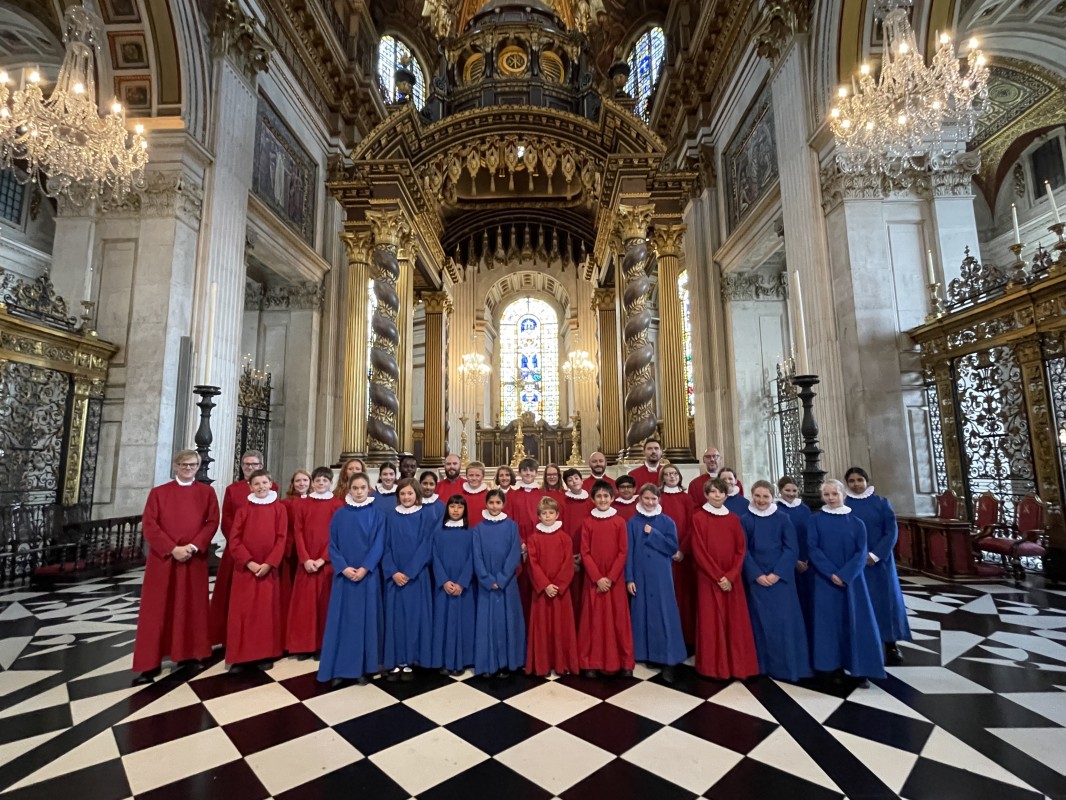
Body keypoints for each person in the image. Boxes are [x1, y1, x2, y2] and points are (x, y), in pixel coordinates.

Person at [132, 451, 220, 683]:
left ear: (198, 466)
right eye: (183, 464)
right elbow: (150, 525)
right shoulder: (159, 493)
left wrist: (193, 546)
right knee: (157, 609)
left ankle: (189, 654)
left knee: (191, 606)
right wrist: (172, 548)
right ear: (175, 466)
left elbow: (212, 522)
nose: (188, 468)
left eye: (192, 465)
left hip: (193, 558)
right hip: (164, 560)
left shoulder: (206, 493)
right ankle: (150, 662)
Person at [807, 479, 885, 687]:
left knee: (856, 623)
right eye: (827, 494)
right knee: (829, 626)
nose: (831, 498)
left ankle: (860, 668)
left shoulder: (857, 523)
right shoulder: (815, 521)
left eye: (835, 494)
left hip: (852, 582)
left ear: (843, 494)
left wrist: (845, 574)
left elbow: (861, 552)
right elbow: (813, 549)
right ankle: (832, 667)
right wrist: (831, 573)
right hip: (825, 582)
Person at [317, 472, 385, 687]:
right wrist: (344, 568)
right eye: (355, 488)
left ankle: (363, 667)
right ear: (349, 490)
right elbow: (333, 545)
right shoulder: (340, 515)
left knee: (365, 622)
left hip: (367, 576)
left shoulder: (377, 514)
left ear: (368, 489)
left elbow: (379, 544)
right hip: (344, 577)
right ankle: (340, 668)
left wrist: (365, 568)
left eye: (362, 488)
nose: (358, 492)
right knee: (343, 622)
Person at [740, 480, 812, 682]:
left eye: (765, 496)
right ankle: (763, 665)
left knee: (785, 623)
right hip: (757, 580)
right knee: (760, 623)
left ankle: (787, 666)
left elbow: (791, 549)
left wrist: (777, 573)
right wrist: (757, 574)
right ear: (752, 495)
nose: (761, 500)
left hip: (781, 581)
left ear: (772, 497)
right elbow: (743, 550)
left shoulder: (783, 518)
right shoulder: (745, 519)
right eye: (757, 496)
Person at [690, 478, 759, 679]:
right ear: (706, 495)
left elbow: (740, 549)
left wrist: (730, 576)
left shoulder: (734, 519)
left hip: (732, 580)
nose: (717, 495)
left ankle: (737, 666)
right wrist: (718, 576)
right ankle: (713, 667)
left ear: (726, 495)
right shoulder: (698, 518)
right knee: (711, 622)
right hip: (709, 579)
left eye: (720, 492)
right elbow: (699, 551)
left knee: (734, 621)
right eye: (713, 492)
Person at [844, 467, 911, 666]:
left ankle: (891, 644)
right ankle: (862, 644)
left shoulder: (881, 503)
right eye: (852, 481)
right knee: (859, 604)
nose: (856, 484)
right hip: (855, 563)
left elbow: (891, 531)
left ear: (867, 481)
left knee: (886, 602)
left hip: (880, 562)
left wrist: (875, 554)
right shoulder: (844, 504)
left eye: (859, 480)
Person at [210, 450, 278, 646]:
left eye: (254, 464)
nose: (250, 467)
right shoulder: (233, 489)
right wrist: (241, 548)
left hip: (264, 553)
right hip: (239, 552)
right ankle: (231, 635)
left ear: (261, 466)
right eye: (246, 464)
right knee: (234, 595)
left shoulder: (272, 488)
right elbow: (227, 520)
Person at [226, 470, 286, 671]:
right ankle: (240, 656)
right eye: (257, 484)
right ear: (250, 487)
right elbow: (234, 540)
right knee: (242, 613)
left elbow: (281, 539)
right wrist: (249, 562)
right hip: (246, 570)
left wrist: (269, 563)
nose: (261, 487)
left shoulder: (279, 509)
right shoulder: (243, 510)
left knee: (265, 613)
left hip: (268, 569)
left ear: (271, 484)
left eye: (264, 483)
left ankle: (265, 653)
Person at [625, 485, 686, 683]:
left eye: (653, 499)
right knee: (642, 613)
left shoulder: (667, 521)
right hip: (640, 575)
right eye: (646, 498)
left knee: (664, 613)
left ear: (659, 500)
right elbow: (629, 552)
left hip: (661, 576)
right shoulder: (632, 523)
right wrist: (629, 578)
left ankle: (667, 657)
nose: (650, 502)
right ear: (640, 499)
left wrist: (653, 534)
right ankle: (647, 654)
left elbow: (672, 547)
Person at [578, 480, 634, 677]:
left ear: (612, 498)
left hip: (614, 580)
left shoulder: (619, 522)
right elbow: (585, 552)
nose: (602, 500)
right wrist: (597, 578)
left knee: (618, 620)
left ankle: (623, 662)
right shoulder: (587, 522)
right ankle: (591, 663)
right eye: (599, 496)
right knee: (593, 620)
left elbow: (623, 551)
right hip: (594, 580)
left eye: (606, 496)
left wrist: (610, 578)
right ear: (593, 499)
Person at [286, 467, 343, 659]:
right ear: (313, 482)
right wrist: (305, 558)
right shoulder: (302, 504)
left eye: (325, 480)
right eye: (317, 480)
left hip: (326, 562)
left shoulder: (337, 504)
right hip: (307, 563)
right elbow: (298, 531)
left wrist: (322, 559)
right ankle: (304, 645)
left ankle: (322, 645)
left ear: (330, 483)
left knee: (324, 604)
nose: (321, 483)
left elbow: (337, 535)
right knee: (305, 606)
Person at [382, 478, 433, 680]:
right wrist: (393, 571)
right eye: (402, 493)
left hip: (416, 577)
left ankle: (411, 660)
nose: (406, 497)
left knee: (414, 618)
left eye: (410, 493)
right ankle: (396, 660)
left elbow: (426, 545)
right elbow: (385, 545)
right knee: (395, 619)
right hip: (395, 577)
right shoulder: (391, 516)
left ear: (417, 494)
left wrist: (410, 571)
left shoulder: (424, 515)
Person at [472, 489, 525, 677]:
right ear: (486, 504)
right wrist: (487, 579)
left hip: (507, 583)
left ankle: (506, 663)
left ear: (503, 505)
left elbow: (514, 553)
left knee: (506, 622)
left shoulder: (511, 526)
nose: (494, 506)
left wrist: (502, 578)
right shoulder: (478, 528)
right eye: (491, 502)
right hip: (486, 584)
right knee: (487, 624)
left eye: (498, 503)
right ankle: (487, 663)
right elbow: (476, 556)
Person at [526, 497, 579, 677]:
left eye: (551, 513)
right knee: (542, 628)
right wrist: (545, 585)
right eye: (544, 513)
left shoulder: (565, 538)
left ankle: (561, 663)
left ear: (557, 515)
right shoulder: (533, 538)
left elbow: (568, 564)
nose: (547, 516)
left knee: (561, 627)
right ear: (539, 515)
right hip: (542, 592)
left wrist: (557, 585)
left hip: (560, 592)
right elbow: (532, 564)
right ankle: (542, 664)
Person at [431, 496, 476, 676]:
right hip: (444, 586)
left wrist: (462, 582)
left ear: (465, 510)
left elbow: (473, 558)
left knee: (464, 623)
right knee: (443, 622)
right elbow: (434, 557)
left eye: (459, 507)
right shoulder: (438, 533)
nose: (456, 510)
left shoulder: (471, 533)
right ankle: (444, 660)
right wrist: (444, 580)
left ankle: (462, 660)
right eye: (452, 506)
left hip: (464, 587)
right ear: (447, 509)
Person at [658, 464, 695, 645]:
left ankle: (686, 637)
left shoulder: (687, 498)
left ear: (679, 476)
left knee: (684, 597)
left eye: (674, 474)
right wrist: (666, 549)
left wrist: (682, 550)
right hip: (663, 556)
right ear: (662, 478)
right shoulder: (658, 498)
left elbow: (691, 526)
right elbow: (656, 525)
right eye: (667, 474)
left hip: (682, 556)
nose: (671, 477)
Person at [777, 476, 815, 634]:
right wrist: (794, 561)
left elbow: (810, 534)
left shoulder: (805, 509)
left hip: (807, 561)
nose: (791, 494)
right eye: (787, 490)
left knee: (808, 598)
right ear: (780, 490)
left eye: (794, 490)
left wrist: (807, 558)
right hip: (787, 563)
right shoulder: (776, 510)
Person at [279, 470, 311, 640]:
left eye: (305, 480)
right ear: (292, 483)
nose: (301, 483)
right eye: (298, 481)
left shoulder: (314, 502)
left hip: (308, 552)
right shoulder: (285, 503)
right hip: (290, 551)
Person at [562, 468, 592, 622]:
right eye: (570, 480)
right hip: (570, 553)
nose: (574, 482)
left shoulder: (591, 502)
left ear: (581, 480)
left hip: (588, 552)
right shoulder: (562, 502)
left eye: (576, 478)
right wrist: (569, 555)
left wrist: (585, 553)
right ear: (566, 484)